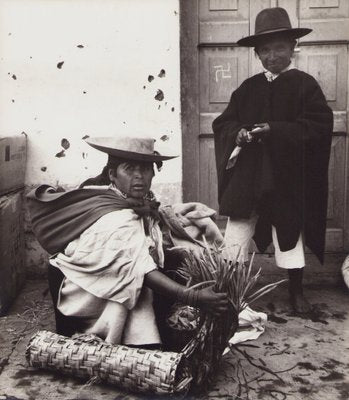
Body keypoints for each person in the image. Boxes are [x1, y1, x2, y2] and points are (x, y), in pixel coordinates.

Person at [28, 136, 229, 347]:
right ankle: (127, 338)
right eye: (129, 169)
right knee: (148, 291)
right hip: (80, 292)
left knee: (177, 260)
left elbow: (144, 247)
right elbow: (143, 271)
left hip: (100, 278)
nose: (138, 176)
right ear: (113, 175)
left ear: (153, 172)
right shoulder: (116, 216)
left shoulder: (135, 201)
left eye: (145, 169)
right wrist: (194, 297)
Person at [212, 7, 333, 313]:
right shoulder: (247, 89)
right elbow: (223, 124)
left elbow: (318, 126)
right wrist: (237, 132)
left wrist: (275, 130)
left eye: (280, 47)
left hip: (286, 175)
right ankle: (227, 292)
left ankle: (296, 292)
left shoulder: (305, 85)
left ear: (294, 48)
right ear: (256, 54)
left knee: (288, 230)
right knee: (237, 228)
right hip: (249, 174)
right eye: (265, 50)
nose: (272, 55)